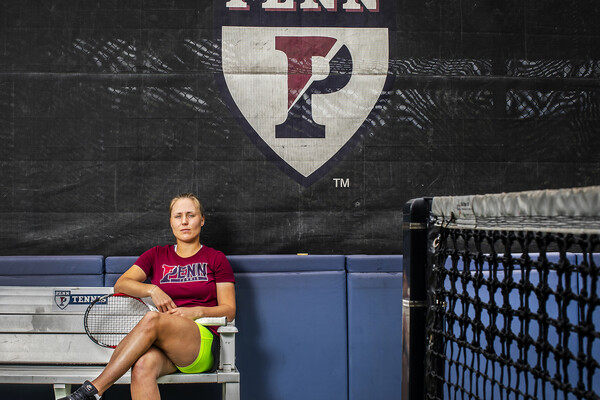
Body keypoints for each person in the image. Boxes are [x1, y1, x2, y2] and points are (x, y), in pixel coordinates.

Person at [59, 193, 236, 400]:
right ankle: (93, 393)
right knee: (142, 366)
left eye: (191, 215)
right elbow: (121, 285)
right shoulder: (156, 255)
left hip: (201, 344)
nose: (185, 221)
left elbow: (229, 310)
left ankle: (92, 390)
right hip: (163, 346)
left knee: (152, 318)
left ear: (202, 219)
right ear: (171, 221)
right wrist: (152, 289)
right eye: (178, 216)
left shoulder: (215, 259)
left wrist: (195, 311)